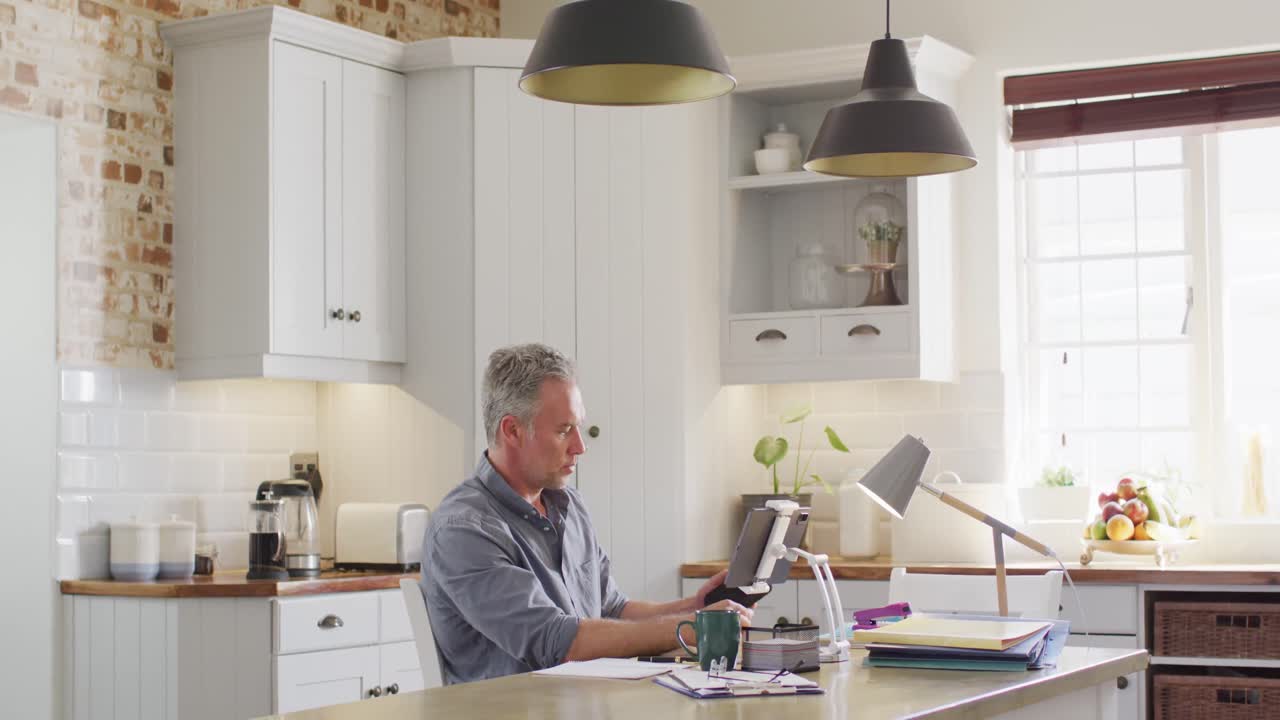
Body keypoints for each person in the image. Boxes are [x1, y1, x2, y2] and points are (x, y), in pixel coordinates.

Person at [421, 343, 751, 684]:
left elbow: (612, 609)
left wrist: (691, 608)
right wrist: (690, 628)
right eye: (564, 430)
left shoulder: (568, 505)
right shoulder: (463, 530)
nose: (580, 446)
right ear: (512, 431)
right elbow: (557, 642)